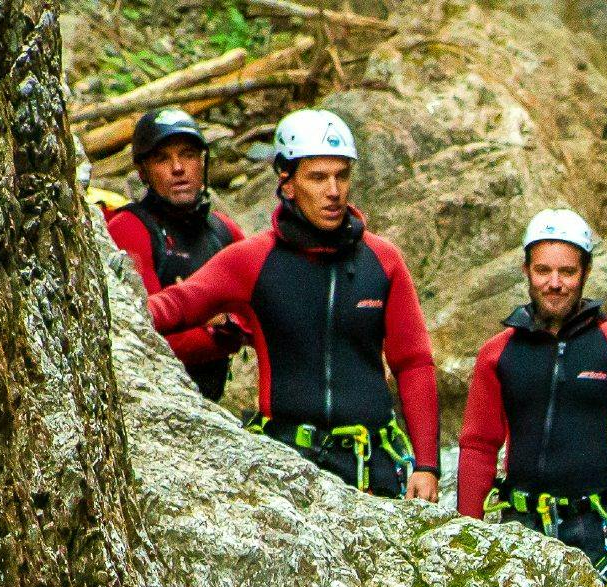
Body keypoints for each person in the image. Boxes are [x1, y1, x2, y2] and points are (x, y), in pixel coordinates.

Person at [144, 108, 440, 498]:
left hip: (371, 465)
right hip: (287, 463)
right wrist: (109, 312)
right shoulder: (251, 259)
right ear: (287, 183)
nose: (333, 191)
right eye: (318, 178)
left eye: (342, 176)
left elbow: (414, 361)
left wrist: (427, 465)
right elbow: (176, 307)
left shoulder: (383, 261)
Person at [454, 210, 607, 587]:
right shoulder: (497, 353)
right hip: (520, 522)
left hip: (597, 525)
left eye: (567, 272)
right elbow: (478, 445)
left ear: (585, 273)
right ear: (526, 270)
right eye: (543, 271)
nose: (554, 283)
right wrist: (465, 531)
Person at [104, 108, 246, 401]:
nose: (178, 168)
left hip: (212, 400)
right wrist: (222, 336)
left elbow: (257, 314)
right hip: (155, 402)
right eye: (162, 159)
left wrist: (227, 326)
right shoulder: (130, 229)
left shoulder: (223, 231)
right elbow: (144, 337)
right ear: (143, 172)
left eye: (188, 155)